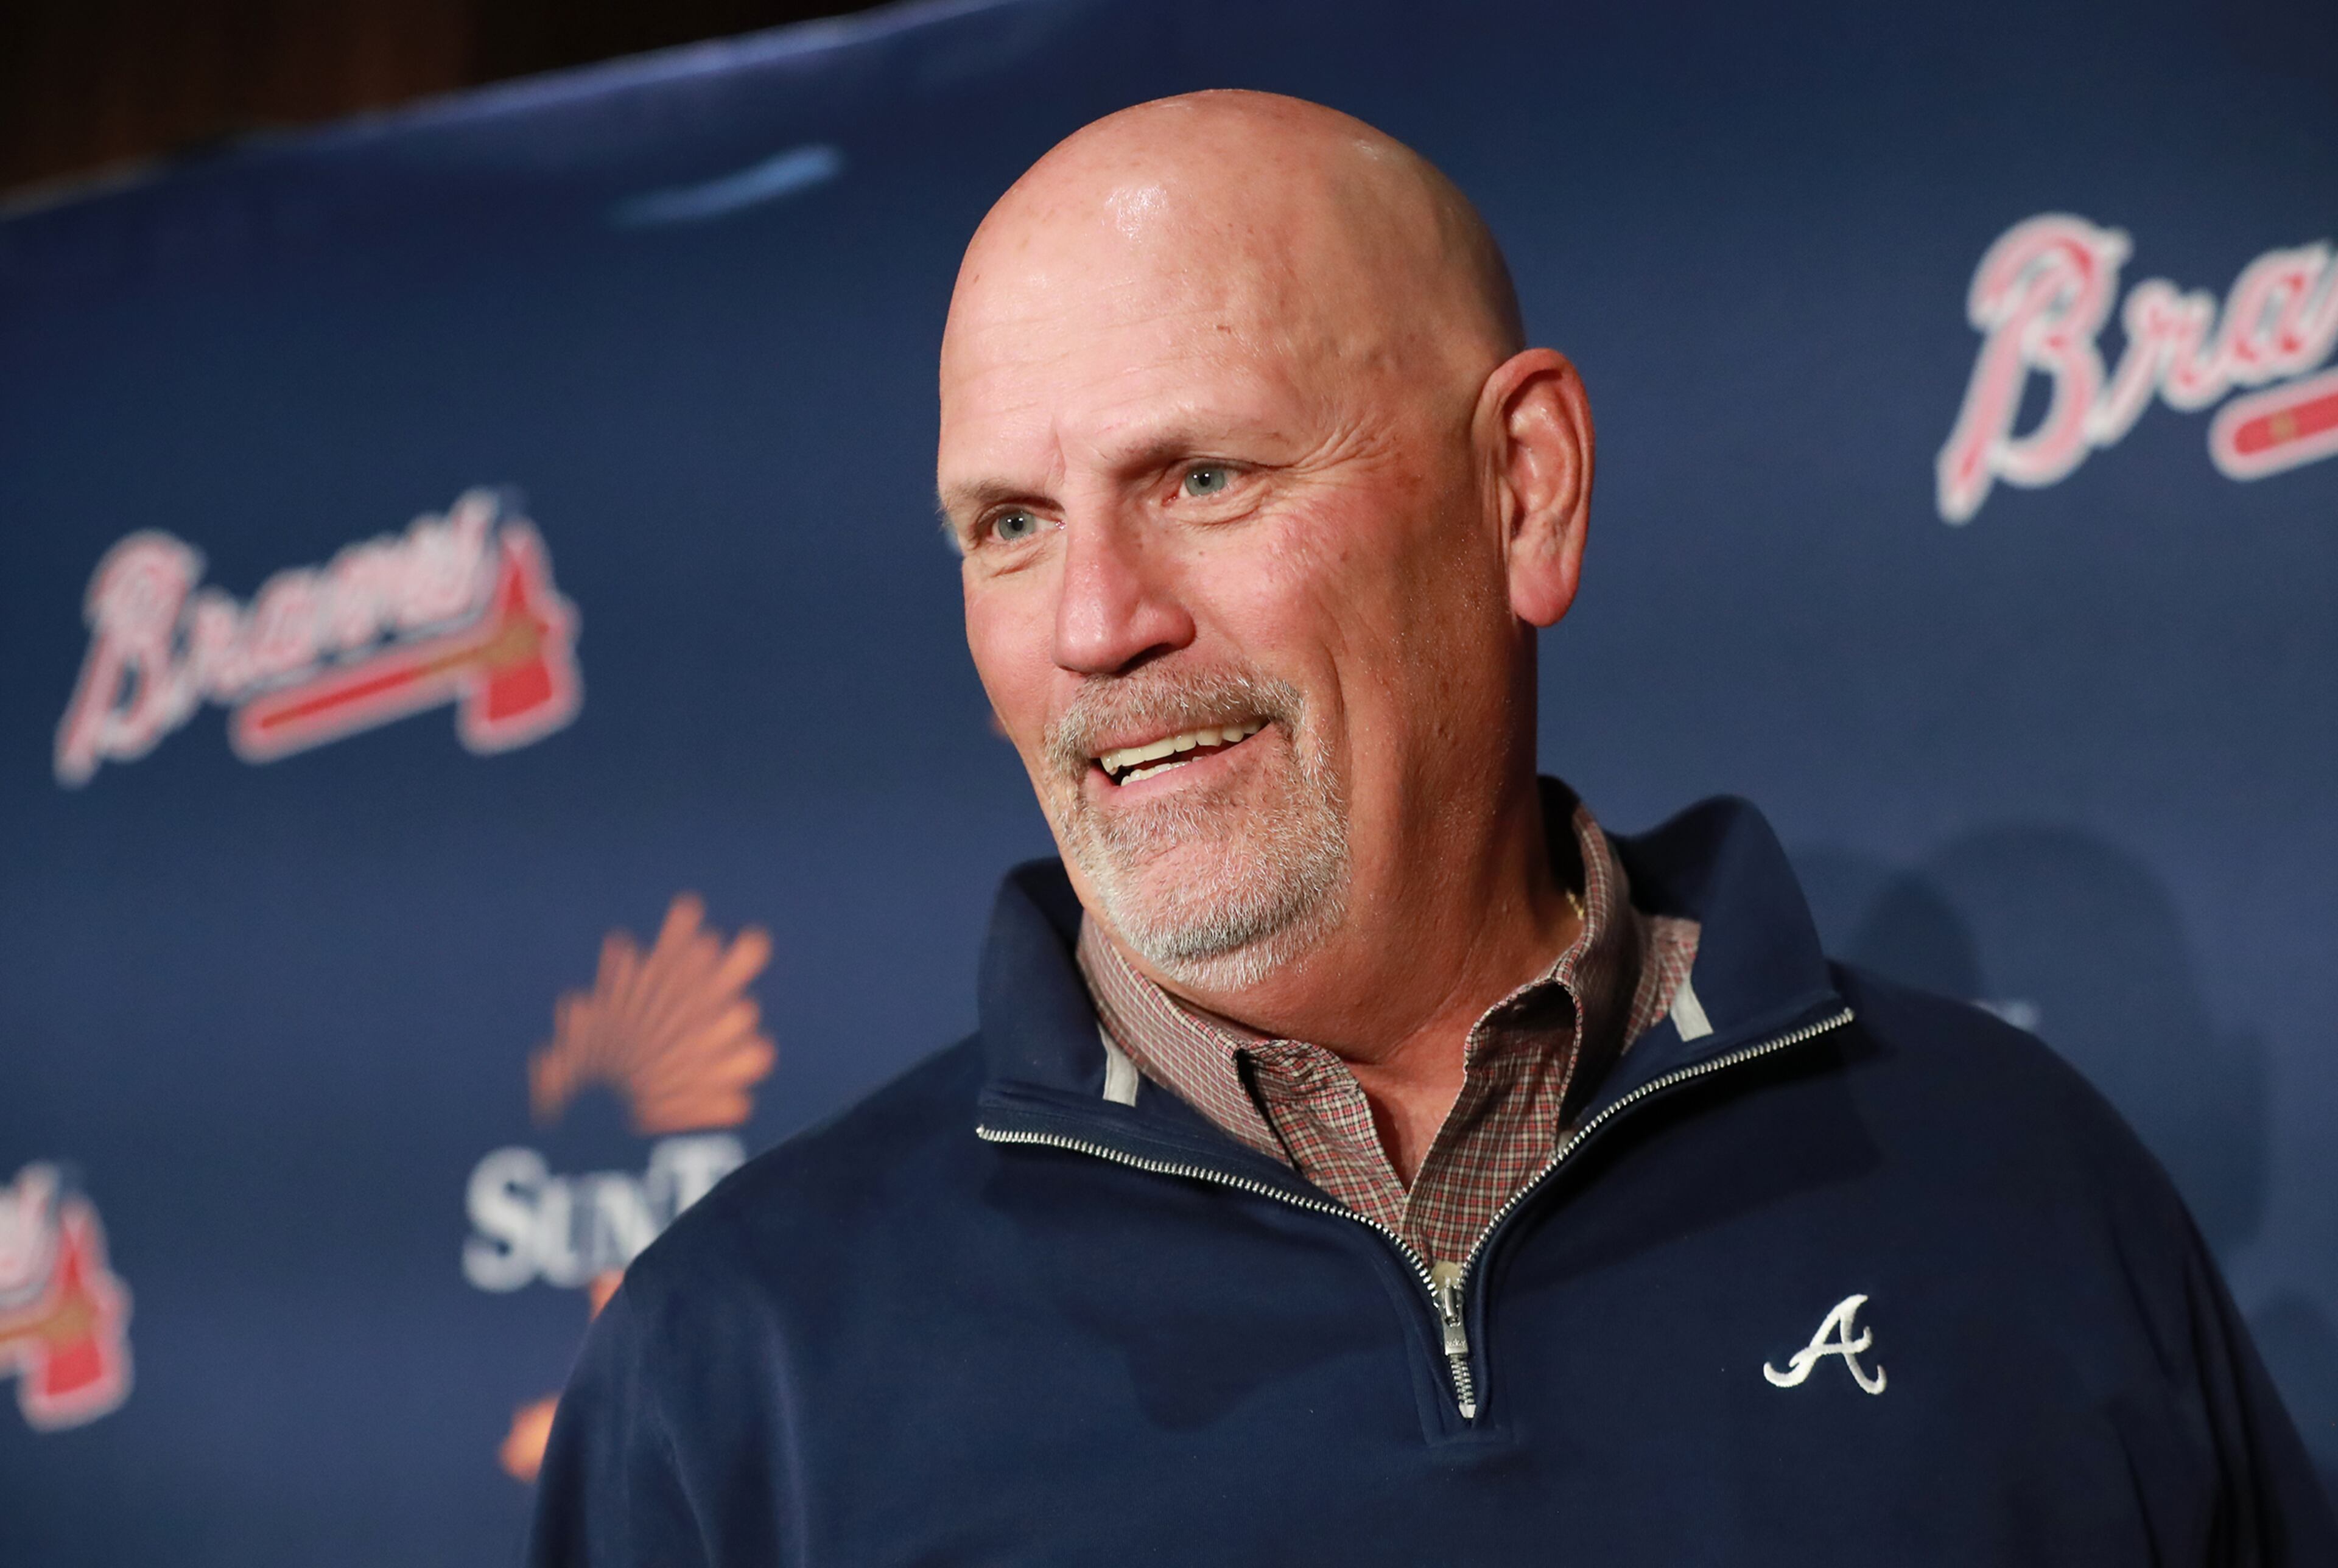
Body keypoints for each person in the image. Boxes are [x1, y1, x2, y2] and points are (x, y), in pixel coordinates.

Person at [528, 92, 2335, 1565]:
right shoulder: (738, 1365)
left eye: (1205, 478)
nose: (1094, 624)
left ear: (1523, 490)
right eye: (1006, 524)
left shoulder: (2013, 1187)